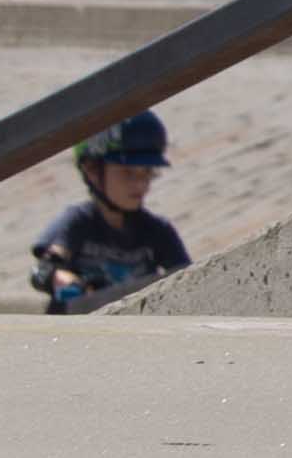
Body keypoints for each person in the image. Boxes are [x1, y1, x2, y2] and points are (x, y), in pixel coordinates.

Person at [28, 113, 195, 312]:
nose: (140, 184)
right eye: (128, 172)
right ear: (92, 170)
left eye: (147, 172)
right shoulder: (77, 222)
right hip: (79, 325)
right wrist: (67, 282)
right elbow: (43, 270)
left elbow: (190, 281)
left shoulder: (159, 231)